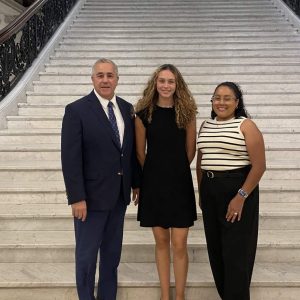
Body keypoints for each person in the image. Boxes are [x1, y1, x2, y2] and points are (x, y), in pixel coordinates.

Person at [61, 58, 140, 300]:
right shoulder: (76, 110)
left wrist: (135, 182)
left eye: (110, 75)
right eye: (100, 75)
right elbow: (70, 158)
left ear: (117, 79)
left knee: (111, 256)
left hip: (118, 197)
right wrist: (77, 197)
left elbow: (129, 151)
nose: (105, 80)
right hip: (90, 201)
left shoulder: (127, 109)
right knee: (86, 257)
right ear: (92, 79)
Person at [196, 82, 266, 300]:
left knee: (236, 254)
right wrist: (201, 191)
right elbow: (201, 160)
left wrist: (241, 197)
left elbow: (259, 166)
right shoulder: (206, 125)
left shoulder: (246, 125)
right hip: (210, 191)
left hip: (237, 190)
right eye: (217, 97)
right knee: (216, 252)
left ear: (237, 102)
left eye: (227, 98)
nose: (221, 102)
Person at [135, 64, 198, 300]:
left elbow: (190, 152)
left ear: (177, 84)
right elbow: (141, 153)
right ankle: (165, 295)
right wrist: (156, 173)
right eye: (162, 80)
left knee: (179, 243)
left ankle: (179, 295)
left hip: (179, 184)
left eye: (170, 81)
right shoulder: (143, 113)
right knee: (161, 241)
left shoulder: (187, 112)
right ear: (155, 83)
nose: (166, 85)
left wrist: (174, 170)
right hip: (154, 185)